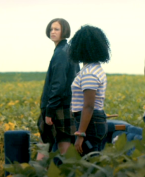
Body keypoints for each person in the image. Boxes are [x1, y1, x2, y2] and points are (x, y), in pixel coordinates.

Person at [37, 18, 79, 159]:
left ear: (64, 31)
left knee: (44, 144)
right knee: (64, 143)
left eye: (57, 29)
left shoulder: (61, 53)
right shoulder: (68, 50)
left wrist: (49, 110)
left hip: (58, 107)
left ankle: (35, 175)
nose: (53, 32)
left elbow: (58, 84)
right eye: (51, 29)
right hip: (66, 105)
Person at [68, 25, 110, 155]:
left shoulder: (89, 73)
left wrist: (81, 134)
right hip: (92, 122)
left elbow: (88, 106)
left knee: (90, 161)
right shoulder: (93, 69)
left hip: (90, 123)